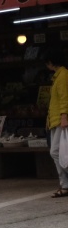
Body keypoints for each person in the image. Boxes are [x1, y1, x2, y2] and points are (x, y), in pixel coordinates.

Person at [46, 47, 68, 197]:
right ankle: (65, 184)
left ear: (51, 62)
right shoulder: (58, 76)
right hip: (55, 119)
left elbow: (64, 98)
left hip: (61, 119)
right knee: (59, 153)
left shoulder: (63, 76)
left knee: (56, 152)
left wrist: (64, 116)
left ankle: (65, 184)